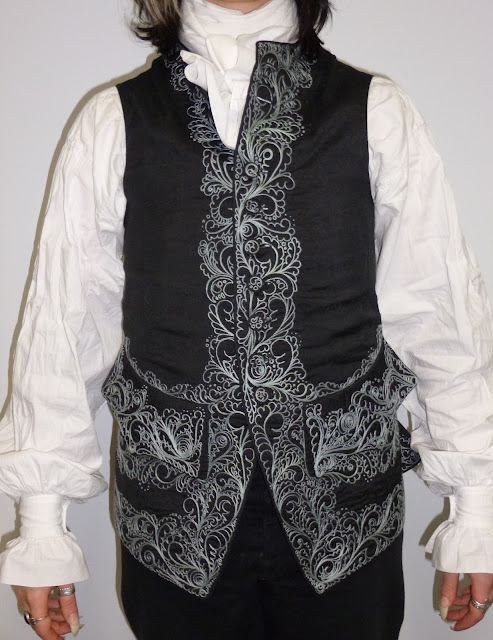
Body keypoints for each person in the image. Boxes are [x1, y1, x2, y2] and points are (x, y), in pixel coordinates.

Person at [0, 0, 492, 638]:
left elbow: (438, 310)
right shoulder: (112, 121)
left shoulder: (376, 111)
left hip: (345, 517)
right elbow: (64, 322)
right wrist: (41, 521)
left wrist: (476, 508)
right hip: (174, 523)